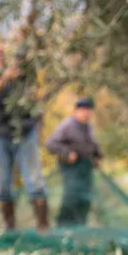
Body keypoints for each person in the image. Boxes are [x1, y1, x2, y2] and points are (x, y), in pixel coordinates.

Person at [0, 40, 49, 232]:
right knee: (2, 186)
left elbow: (34, 94)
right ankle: (9, 227)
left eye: (0, 48)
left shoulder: (20, 71)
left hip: (25, 132)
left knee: (35, 181)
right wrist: (4, 79)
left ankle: (43, 227)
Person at [45, 97, 102, 227]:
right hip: (70, 167)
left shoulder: (89, 127)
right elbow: (51, 144)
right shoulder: (67, 125)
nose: (85, 113)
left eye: (88, 110)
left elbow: (93, 145)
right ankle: (63, 225)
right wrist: (67, 153)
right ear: (76, 111)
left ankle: (80, 224)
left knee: (85, 198)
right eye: (82, 110)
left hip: (86, 167)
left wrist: (97, 155)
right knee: (71, 196)